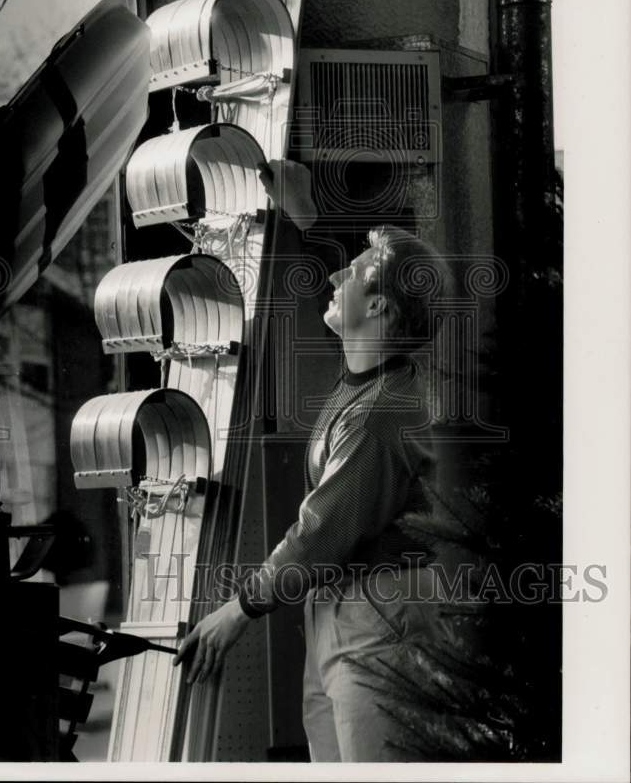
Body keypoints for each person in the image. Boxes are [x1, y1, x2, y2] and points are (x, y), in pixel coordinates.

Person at [174, 159, 447, 762]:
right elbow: (356, 285)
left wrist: (237, 611)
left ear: (379, 310)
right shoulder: (372, 371)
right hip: (346, 611)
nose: (335, 279)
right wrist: (311, 218)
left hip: (377, 616)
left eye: (352, 275)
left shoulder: (377, 413)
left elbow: (319, 535)